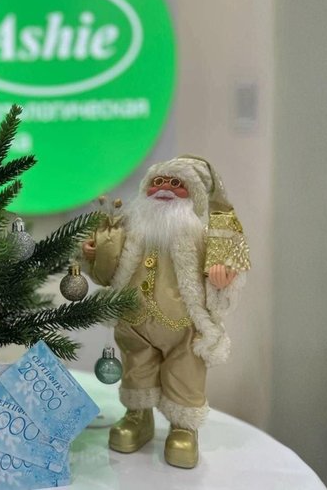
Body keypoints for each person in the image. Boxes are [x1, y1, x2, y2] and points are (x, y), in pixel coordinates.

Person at [82, 155, 250, 468]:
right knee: (136, 368)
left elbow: (227, 266)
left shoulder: (201, 234)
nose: (164, 189)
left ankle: (183, 427)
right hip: (135, 320)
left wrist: (222, 278)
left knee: (185, 373)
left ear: (193, 193)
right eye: (158, 182)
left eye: (176, 183)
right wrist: (94, 253)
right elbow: (109, 264)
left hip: (183, 325)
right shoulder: (132, 229)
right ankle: (138, 415)